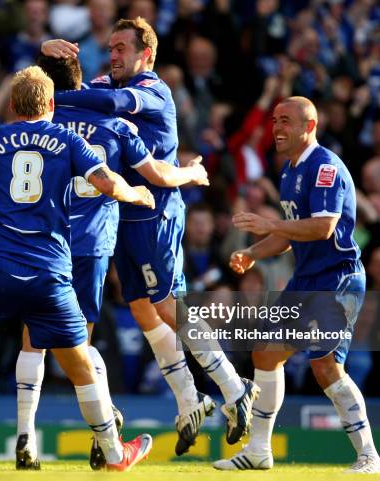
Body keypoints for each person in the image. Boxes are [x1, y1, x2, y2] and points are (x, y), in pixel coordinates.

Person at [0, 66, 154, 471]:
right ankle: (113, 452)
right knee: (80, 367)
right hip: (48, 278)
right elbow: (109, 183)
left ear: (11, 105)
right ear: (53, 105)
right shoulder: (68, 140)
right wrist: (137, 194)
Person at [41, 17, 258, 454]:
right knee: (143, 309)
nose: (113, 54)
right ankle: (189, 398)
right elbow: (69, 100)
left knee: (166, 305)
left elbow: (109, 102)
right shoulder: (105, 83)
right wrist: (46, 58)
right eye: (111, 47)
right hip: (123, 214)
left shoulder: (152, 91)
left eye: (122, 47)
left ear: (147, 55)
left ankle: (235, 389)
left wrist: (63, 95)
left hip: (156, 213)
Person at [16, 55, 209, 470]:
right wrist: (191, 174)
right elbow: (157, 174)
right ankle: (106, 433)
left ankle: (26, 438)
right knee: (78, 347)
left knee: (34, 339)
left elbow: (29, 97)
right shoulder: (114, 122)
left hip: (44, 243)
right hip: (89, 246)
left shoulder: (37, 129)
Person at [215, 96, 380, 474]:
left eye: (286, 121)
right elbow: (293, 234)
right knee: (264, 352)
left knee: (325, 366)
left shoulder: (325, 168)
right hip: (305, 279)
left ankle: (370, 456)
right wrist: (255, 253)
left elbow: (323, 227)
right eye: (275, 121)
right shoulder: (290, 170)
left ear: (309, 126)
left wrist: (270, 224)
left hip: (337, 279)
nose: (277, 128)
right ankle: (259, 450)